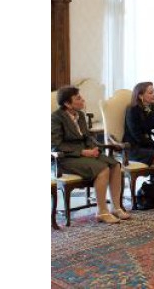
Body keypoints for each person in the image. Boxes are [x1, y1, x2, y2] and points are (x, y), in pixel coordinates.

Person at [51, 85, 130, 224]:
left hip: (84, 153)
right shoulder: (56, 118)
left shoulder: (80, 115)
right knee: (102, 169)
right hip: (66, 158)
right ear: (67, 104)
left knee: (115, 165)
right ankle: (102, 211)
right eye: (78, 98)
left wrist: (94, 148)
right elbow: (56, 144)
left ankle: (116, 207)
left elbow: (87, 137)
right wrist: (82, 152)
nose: (83, 100)